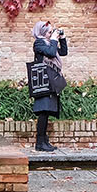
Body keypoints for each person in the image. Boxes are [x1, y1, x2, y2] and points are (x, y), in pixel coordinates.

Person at [30, 19, 67, 152]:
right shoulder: (39, 43)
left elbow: (63, 52)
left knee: (47, 111)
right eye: (50, 32)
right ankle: (39, 143)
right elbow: (51, 53)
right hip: (43, 81)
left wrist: (62, 38)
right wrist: (53, 39)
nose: (51, 34)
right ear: (44, 32)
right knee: (43, 112)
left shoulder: (48, 43)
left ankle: (44, 141)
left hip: (50, 80)